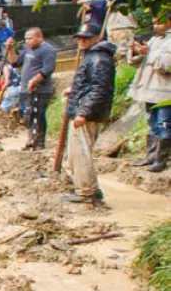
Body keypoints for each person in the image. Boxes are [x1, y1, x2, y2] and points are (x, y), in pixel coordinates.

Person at [61, 23, 117, 204]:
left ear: (97, 38)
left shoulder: (99, 58)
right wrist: (73, 89)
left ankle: (86, 191)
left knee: (81, 152)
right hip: (83, 109)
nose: (82, 41)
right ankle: (89, 187)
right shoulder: (93, 56)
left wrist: (83, 112)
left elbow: (100, 89)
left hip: (87, 113)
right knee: (77, 152)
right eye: (80, 38)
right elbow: (89, 84)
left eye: (86, 38)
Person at [128, 18, 171, 172]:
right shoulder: (155, 39)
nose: (155, 26)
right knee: (152, 124)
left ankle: (161, 160)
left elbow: (166, 65)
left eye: (159, 22)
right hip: (149, 90)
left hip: (165, 93)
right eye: (154, 22)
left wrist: (149, 53)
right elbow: (134, 61)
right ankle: (151, 156)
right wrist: (136, 51)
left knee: (164, 125)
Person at [18, 28, 57, 151]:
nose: (27, 42)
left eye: (30, 39)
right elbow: (16, 62)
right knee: (28, 116)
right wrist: (9, 50)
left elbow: (48, 68)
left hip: (41, 89)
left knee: (38, 115)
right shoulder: (27, 49)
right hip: (25, 88)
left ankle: (39, 143)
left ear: (39, 37)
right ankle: (31, 140)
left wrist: (34, 80)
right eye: (26, 39)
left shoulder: (48, 50)